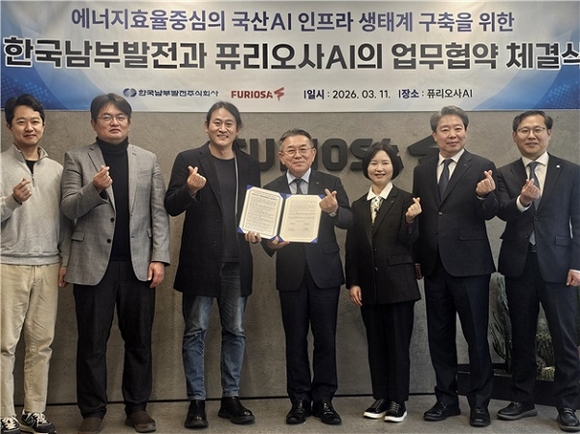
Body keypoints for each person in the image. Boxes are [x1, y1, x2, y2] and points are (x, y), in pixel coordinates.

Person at [60, 93, 171, 434]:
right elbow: (68, 207)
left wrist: (159, 257)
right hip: (92, 264)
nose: (114, 122)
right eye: (106, 117)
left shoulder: (147, 159)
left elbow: (158, 213)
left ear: (129, 121)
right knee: (92, 342)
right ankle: (92, 410)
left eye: (120, 116)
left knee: (139, 339)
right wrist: (94, 188)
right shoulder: (77, 157)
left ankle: (137, 407)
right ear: (94, 123)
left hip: (138, 265)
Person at [246, 128, 353, 426]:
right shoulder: (271, 189)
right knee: (294, 341)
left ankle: (324, 400)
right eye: (291, 150)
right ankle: (299, 401)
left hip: (325, 274)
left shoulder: (330, 183)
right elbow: (265, 235)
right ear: (281, 157)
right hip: (291, 274)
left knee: (325, 339)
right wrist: (268, 243)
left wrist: (334, 211)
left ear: (313, 153)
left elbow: (349, 219)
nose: (298, 154)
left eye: (303, 149)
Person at [164, 101, 260, 429]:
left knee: (236, 331)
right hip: (200, 260)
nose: (223, 128)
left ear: (238, 129)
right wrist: (189, 189)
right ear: (206, 126)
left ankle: (230, 398)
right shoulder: (189, 159)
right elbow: (171, 205)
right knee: (195, 331)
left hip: (238, 261)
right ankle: (196, 401)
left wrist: (256, 230)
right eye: (217, 122)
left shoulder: (248, 164)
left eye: (229, 123)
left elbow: (255, 209)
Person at [412, 106, 498, 427]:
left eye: (458, 128)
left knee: (475, 337)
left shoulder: (482, 165)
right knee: (440, 336)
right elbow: (421, 216)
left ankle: (479, 404)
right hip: (434, 266)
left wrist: (483, 196)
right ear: (434, 135)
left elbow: (490, 212)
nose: (452, 134)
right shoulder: (422, 170)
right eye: (445, 129)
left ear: (466, 131)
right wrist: (418, 258)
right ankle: (446, 400)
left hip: (471, 266)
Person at [495, 111, 580, 432]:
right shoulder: (505, 173)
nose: (531, 135)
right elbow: (502, 211)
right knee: (521, 336)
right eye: (524, 130)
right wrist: (521, 200)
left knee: (564, 338)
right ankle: (522, 400)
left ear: (549, 133)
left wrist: (577, 263)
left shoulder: (570, 171)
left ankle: (567, 405)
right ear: (514, 135)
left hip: (559, 266)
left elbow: (578, 221)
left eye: (538, 129)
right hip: (519, 265)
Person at [1, 94, 71, 434]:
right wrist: (11, 201)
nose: (29, 127)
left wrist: (64, 259)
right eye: (21, 121)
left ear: (43, 125)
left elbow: (66, 222)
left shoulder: (57, 170)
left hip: (48, 265)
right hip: (7, 264)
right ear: (9, 126)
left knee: (41, 344)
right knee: (4, 345)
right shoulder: (0, 165)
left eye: (35, 121)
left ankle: (34, 411)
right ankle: (5, 414)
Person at [345, 142, 422, 423]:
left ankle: (398, 401)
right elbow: (353, 248)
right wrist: (353, 282)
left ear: (394, 167)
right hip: (369, 287)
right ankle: (381, 397)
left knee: (398, 346)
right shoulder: (358, 205)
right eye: (374, 163)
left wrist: (410, 220)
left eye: (385, 163)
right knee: (376, 345)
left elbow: (410, 242)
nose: (379, 168)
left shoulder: (406, 200)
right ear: (367, 168)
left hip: (399, 286)